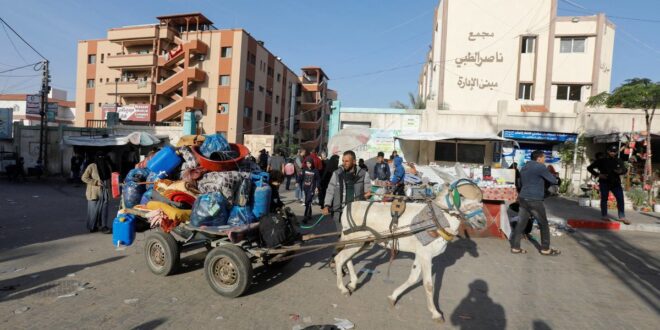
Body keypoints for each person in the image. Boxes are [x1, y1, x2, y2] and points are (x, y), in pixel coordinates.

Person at [322, 150, 371, 269]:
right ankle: (336, 260)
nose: (344, 163)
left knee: (351, 239)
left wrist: (368, 194)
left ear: (354, 161)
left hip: (355, 214)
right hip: (339, 211)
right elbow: (330, 190)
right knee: (342, 237)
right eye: (343, 161)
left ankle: (341, 260)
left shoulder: (364, 174)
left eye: (347, 161)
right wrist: (327, 205)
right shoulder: (337, 173)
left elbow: (368, 191)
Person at [510, 150, 560, 256]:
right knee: (543, 223)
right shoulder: (540, 167)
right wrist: (553, 176)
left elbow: (520, 183)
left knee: (521, 223)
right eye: (544, 158)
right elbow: (553, 180)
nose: (544, 160)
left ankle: (515, 247)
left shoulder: (524, 167)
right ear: (538, 158)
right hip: (534, 199)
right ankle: (545, 249)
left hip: (523, 198)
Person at [587, 145, 628, 224]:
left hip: (616, 183)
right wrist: (598, 175)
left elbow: (624, 170)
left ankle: (622, 216)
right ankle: (604, 215)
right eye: (611, 151)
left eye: (614, 151)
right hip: (604, 182)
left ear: (616, 152)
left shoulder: (619, 160)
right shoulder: (601, 160)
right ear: (608, 151)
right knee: (604, 199)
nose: (613, 153)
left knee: (620, 199)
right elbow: (589, 168)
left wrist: (620, 172)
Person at [81, 152, 114, 234]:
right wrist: (95, 182)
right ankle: (92, 226)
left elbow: (110, 177)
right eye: (100, 157)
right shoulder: (91, 166)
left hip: (105, 190)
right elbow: (84, 178)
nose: (101, 159)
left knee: (104, 210)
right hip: (94, 192)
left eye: (103, 157)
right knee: (93, 210)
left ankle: (104, 226)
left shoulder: (107, 165)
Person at [301, 158, 320, 223]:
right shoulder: (304, 170)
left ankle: (305, 217)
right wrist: (297, 182)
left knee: (308, 201)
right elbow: (301, 176)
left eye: (309, 163)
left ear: (312, 163)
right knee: (308, 202)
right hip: (305, 188)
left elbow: (318, 179)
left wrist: (317, 187)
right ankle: (309, 215)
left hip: (312, 188)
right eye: (307, 163)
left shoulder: (315, 170)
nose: (308, 165)